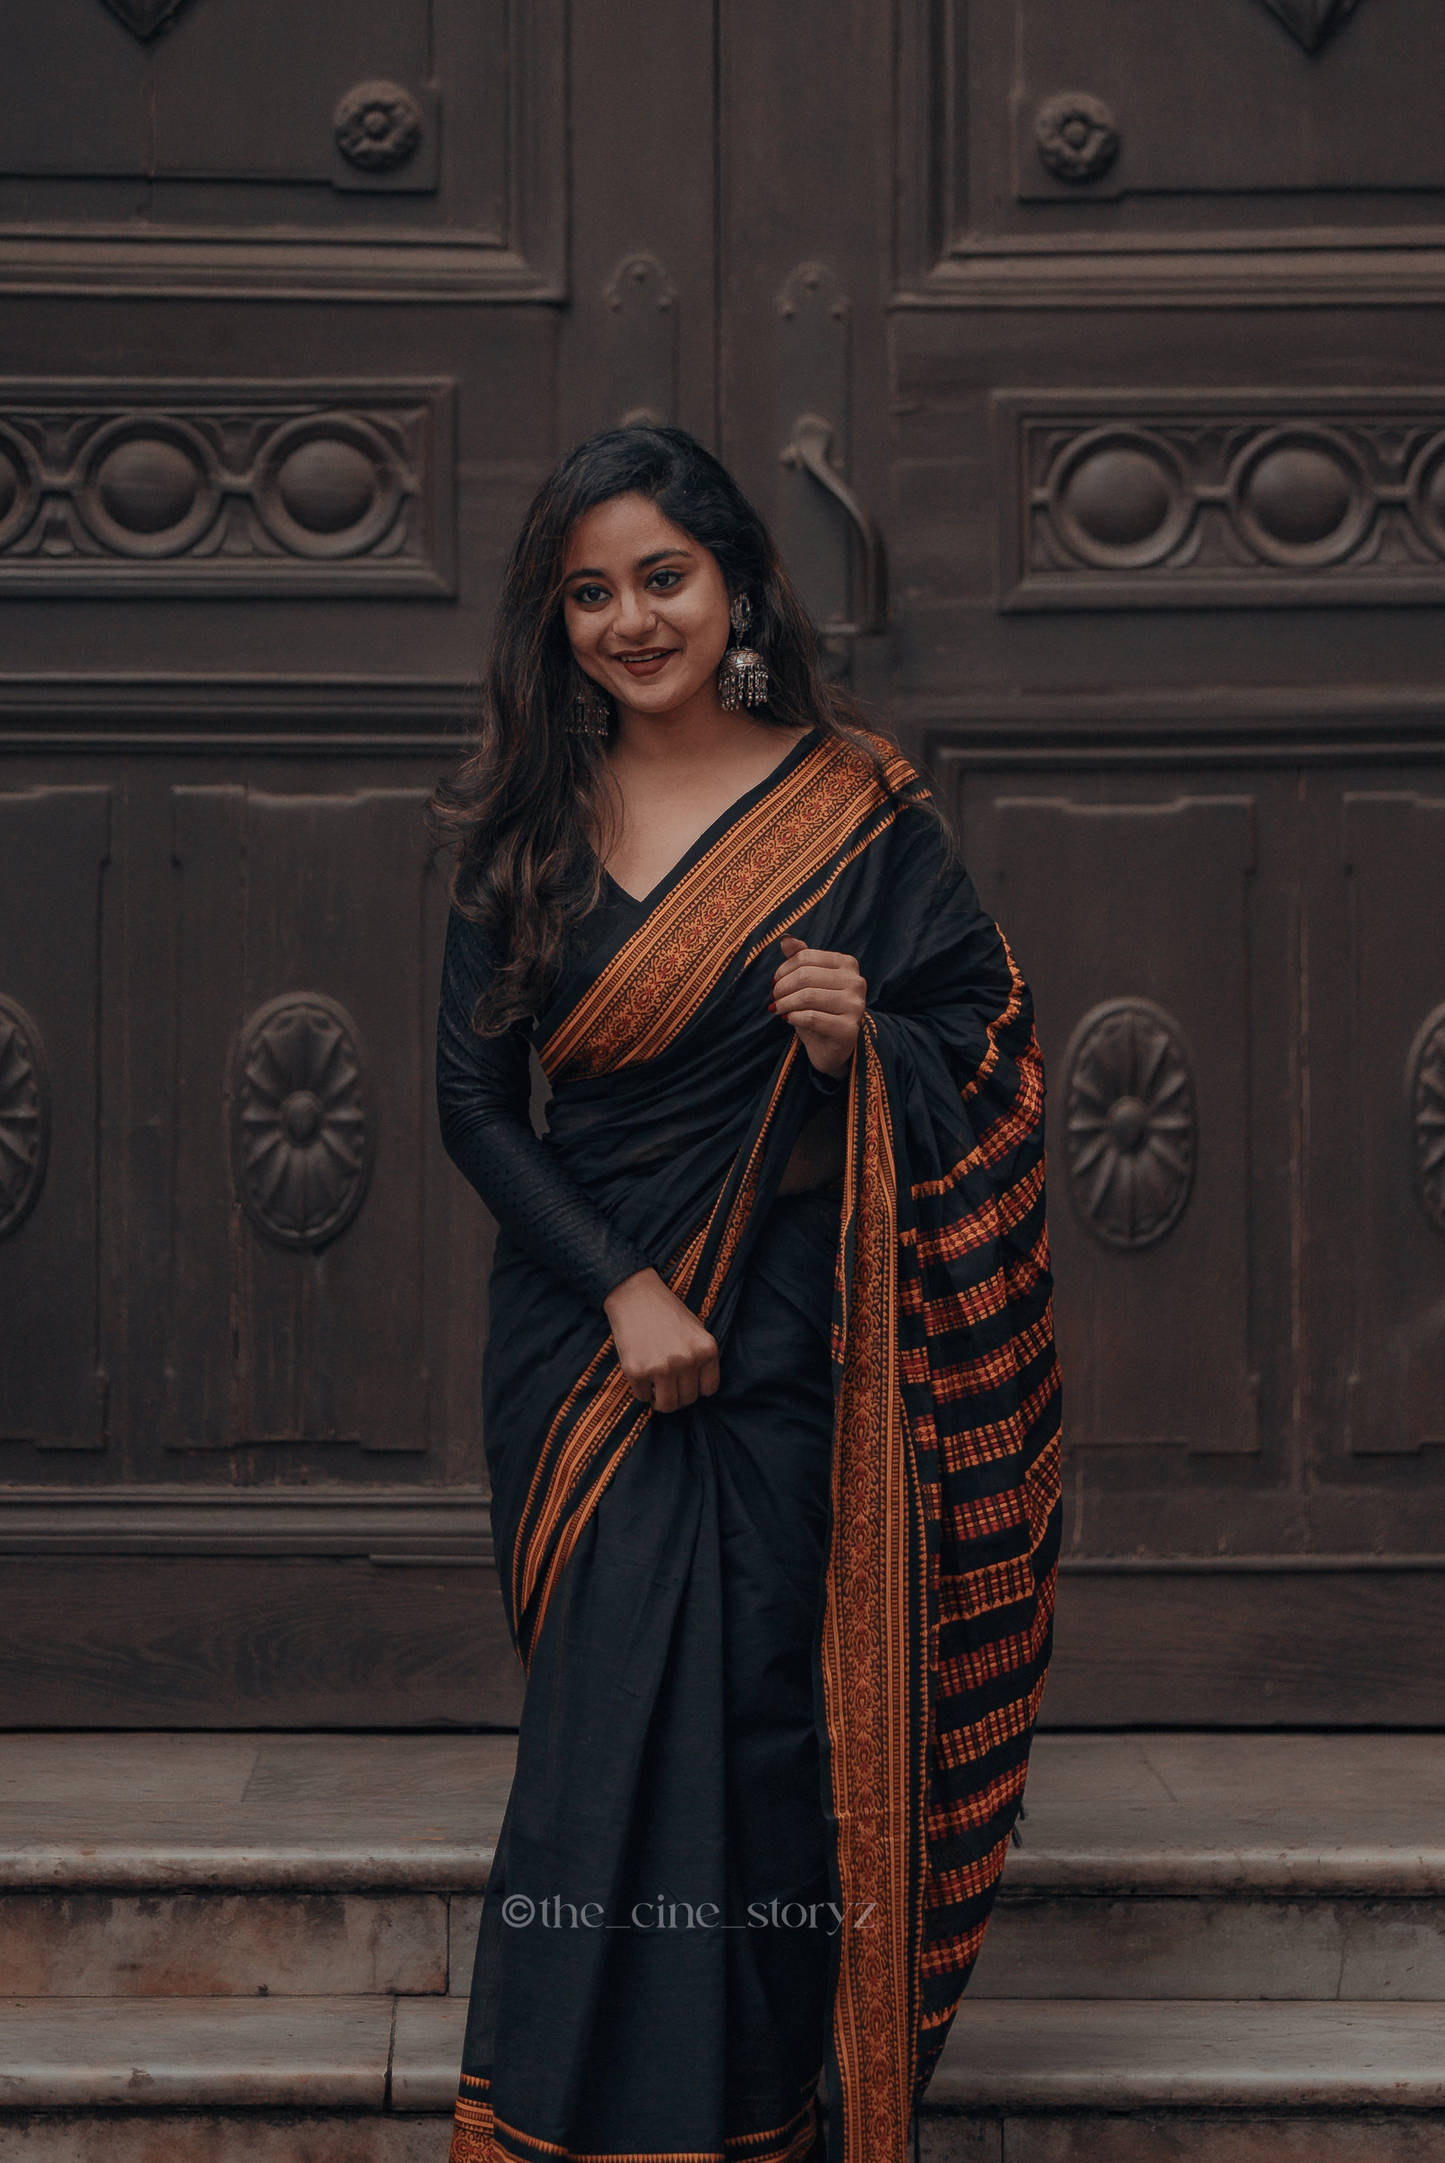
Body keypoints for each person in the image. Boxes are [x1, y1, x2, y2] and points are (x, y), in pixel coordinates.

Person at [430, 426, 1060, 2163]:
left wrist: (874, 1046)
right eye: (589, 591)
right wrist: (627, 1286)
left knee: (772, 1744)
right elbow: (475, 1106)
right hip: (591, 1349)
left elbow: (992, 1054)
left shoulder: (857, 804)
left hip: (799, 1343)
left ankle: (760, 2131)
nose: (632, 619)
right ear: (553, 620)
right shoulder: (529, 821)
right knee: (608, 1741)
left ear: (733, 584)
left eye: (663, 576)